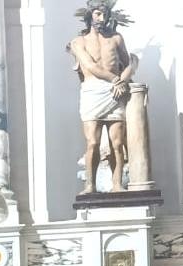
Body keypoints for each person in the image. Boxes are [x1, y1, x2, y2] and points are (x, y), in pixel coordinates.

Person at [68, 0, 137, 194]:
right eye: (98, 13)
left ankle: (117, 185)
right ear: (90, 15)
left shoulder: (116, 38)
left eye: (105, 14)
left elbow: (130, 62)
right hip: (93, 91)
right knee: (93, 142)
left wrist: (123, 81)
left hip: (115, 92)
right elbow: (90, 66)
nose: (102, 18)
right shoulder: (78, 42)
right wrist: (117, 79)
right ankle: (90, 185)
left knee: (117, 143)